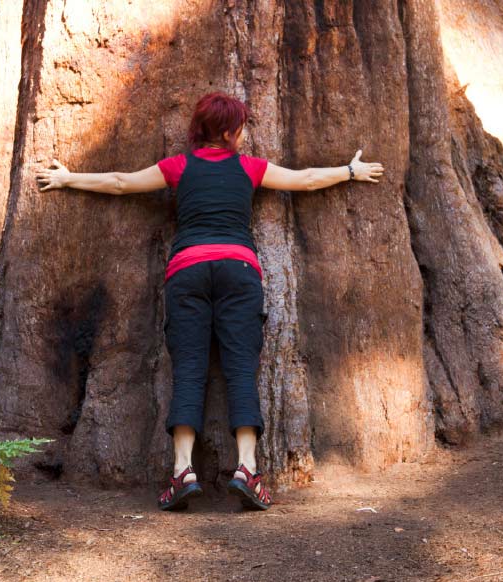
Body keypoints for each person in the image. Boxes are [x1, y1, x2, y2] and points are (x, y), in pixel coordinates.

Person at [34, 92, 383, 511]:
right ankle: (247, 470)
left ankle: (182, 471)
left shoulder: (179, 167)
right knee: (240, 369)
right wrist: (349, 170)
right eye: (240, 126)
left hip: (187, 272)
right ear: (228, 131)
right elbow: (305, 179)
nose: (243, 133)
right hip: (239, 272)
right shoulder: (248, 167)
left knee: (189, 369)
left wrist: (69, 177)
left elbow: (121, 183)